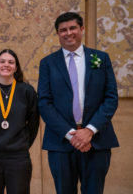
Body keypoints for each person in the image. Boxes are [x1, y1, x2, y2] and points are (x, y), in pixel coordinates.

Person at [38, 12, 119, 194]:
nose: (68, 33)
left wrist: (89, 130)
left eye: (73, 28)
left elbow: (111, 97)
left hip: (96, 141)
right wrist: (71, 135)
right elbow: (44, 102)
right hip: (61, 142)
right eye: (63, 30)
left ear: (82, 29)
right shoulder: (48, 63)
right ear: (58, 34)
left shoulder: (100, 59)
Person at [0, 49, 39, 194]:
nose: (6, 65)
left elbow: (34, 123)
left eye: (11, 62)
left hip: (18, 157)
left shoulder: (27, 91)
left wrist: (22, 143)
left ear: (16, 67)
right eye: (2, 61)